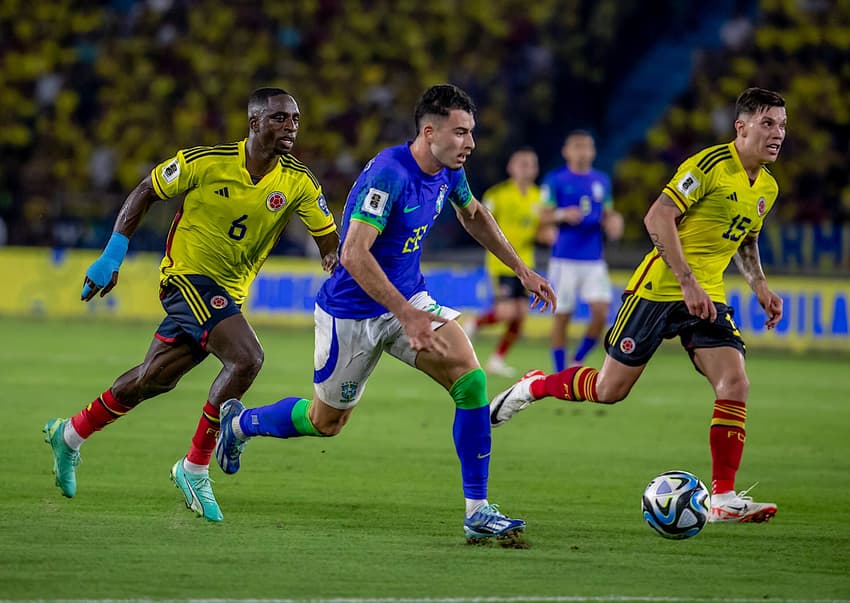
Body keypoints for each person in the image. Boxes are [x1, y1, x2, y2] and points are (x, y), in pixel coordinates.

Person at [213, 84, 556, 542]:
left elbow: (473, 214)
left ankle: (478, 510)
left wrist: (521, 268)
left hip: (409, 299)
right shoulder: (390, 174)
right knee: (326, 422)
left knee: (471, 380)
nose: (470, 143)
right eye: (460, 132)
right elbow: (353, 254)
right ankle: (241, 423)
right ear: (429, 132)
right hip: (351, 311)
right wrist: (407, 316)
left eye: (471, 132)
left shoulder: (450, 169)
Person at [491, 87, 786, 524]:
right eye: (767, 123)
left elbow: (746, 236)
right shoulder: (708, 166)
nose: (777, 133)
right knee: (610, 390)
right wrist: (686, 282)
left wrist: (759, 285)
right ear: (741, 128)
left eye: (781, 125)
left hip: (707, 297)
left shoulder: (767, 186)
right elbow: (657, 217)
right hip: (659, 288)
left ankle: (723, 497)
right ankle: (535, 386)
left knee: (734, 383)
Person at [43, 87, 339, 522]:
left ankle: (69, 434)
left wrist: (335, 262)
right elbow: (146, 189)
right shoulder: (207, 160)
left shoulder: (298, 181)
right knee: (247, 359)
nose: (290, 127)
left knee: (153, 380)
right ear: (254, 123)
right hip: (185, 279)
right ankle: (195, 466)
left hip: (227, 294)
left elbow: (327, 239)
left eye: (295, 119)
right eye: (279, 118)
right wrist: (112, 255)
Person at [463, 147, 550, 377]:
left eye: (531, 164)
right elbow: (480, 225)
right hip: (500, 263)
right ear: (510, 168)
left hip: (526, 265)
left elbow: (542, 231)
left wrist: (551, 235)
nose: (526, 168)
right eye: (521, 163)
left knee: (521, 315)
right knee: (506, 312)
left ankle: (496, 360)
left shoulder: (540, 197)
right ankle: (475, 323)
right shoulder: (497, 195)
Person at [540, 130, 623, 372]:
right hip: (564, 258)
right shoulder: (555, 179)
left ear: (593, 152)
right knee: (562, 316)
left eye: (586, 147)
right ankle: (559, 371)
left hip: (593, 259)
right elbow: (543, 215)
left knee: (601, 312)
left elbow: (608, 213)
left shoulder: (601, 181)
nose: (582, 152)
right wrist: (562, 214)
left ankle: (577, 360)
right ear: (566, 151)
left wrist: (614, 222)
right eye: (577, 147)